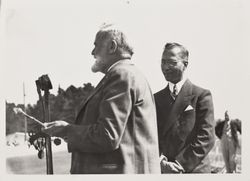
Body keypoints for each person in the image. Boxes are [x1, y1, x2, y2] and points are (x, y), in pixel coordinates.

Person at [43, 24, 160, 174]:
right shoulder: (128, 74)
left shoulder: (121, 75)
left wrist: (67, 130)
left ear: (112, 46)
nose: (92, 52)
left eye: (96, 46)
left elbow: (107, 136)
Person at [154, 42, 215, 173]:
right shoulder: (155, 98)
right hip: (164, 169)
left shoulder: (201, 96)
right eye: (163, 62)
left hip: (194, 169)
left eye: (172, 62)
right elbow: (151, 135)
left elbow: (206, 137)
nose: (166, 67)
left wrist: (180, 164)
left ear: (185, 64)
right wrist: (161, 162)